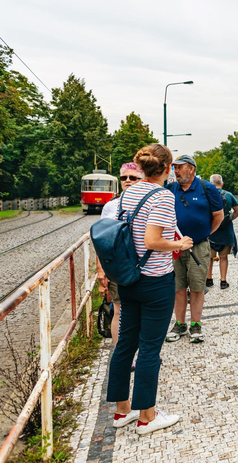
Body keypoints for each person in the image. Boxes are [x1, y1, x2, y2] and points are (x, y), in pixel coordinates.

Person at [106, 143, 193, 435]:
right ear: (167, 169)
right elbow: (153, 240)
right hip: (155, 282)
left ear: (141, 168)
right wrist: (179, 244)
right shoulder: (162, 196)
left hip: (128, 279)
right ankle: (147, 417)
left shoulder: (127, 194)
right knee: (149, 349)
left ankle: (121, 411)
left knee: (125, 345)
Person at [165, 155, 224, 343]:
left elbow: (218, 216)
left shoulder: (207, 188)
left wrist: (203, 234)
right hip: (175, 247)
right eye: (174, 168)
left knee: (197, 286)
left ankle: (196, 324)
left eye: (179, 167)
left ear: (191, 169)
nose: (175, 171)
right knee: (178, 286)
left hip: (198, 245)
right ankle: (180, 323)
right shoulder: (170, 189)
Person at [97, 162, 145, 346]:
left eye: (133, 177)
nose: (128, 181)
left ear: (142, 180)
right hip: (119, 266)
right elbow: (102, 240)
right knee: (119, 310)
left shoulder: (149, 202)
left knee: (142, 311)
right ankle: (122, 353)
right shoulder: (111, 206)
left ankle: (143, 351)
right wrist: (101, 270)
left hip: (143, 265)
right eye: (124, 177)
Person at [206, 174, 238, 289]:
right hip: (226, 230)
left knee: (209, 257)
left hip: (210, 230)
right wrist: (230, 219)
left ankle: (209, 279)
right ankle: (223, 281)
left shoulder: (207, 194)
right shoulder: (229, 195)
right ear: (222, 183)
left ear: (211, 183)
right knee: (224, 257)